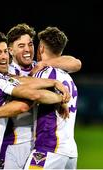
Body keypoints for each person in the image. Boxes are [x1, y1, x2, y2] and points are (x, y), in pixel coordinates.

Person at [0, 31, 69, 169]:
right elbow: (32, 97)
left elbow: (21, 80)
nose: (4, 56)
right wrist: (60, 98)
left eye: (5, 52)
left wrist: (53, 82)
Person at [24, 26, 78, 169]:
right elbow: (76, 63)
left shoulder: (44, 73)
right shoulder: (66, 76)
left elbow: (34, 94)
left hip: (50, 147)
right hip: (70, 151)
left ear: (41, 48)